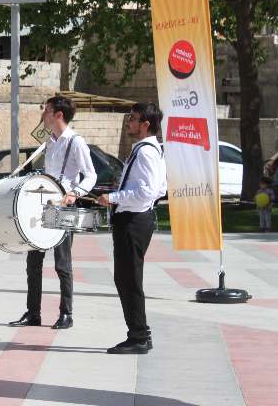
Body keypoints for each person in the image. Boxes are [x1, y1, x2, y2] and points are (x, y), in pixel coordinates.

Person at [10, 95, 97, 330]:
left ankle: (66, 314)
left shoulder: (76, 141)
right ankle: (33, 313)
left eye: (46, 111)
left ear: (59, 115)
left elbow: (91, 175)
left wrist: (75, 192)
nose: (42, 115)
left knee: (63, 263)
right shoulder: (48, 140)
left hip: (65, 208)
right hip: (43, 206)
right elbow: (45, 165)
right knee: (33, 261)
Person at [97, 102, 167, 354]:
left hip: (134, 222)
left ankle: (139, 336)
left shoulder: (146, 152)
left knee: (129, 281)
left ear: (145, 124)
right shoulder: (150, 149)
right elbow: (160, 189)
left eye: (132, 118)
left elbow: (149, 191)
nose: (128, 121)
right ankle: (138, 334)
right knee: (126, 279)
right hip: (138, 219)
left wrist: (115, 198)